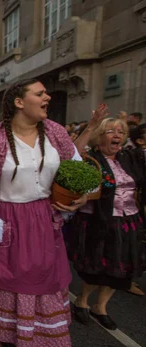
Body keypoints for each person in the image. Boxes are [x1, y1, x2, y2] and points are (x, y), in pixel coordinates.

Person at [0, 79, 86, 347]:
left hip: (43, 218)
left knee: (43, 277)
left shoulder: (54, 132)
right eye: (40, 93)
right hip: (5, 217)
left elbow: (77, 167)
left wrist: (85, 195)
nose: (48, 97)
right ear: (19, 102)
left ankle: (39, 334)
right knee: (0, 277)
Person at [66, 118, 146, 330]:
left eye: (121, 131)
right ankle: (82, 300)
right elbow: (69, 157)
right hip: (99, 220)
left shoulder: (130, 157)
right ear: (99, 137)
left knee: (121, 267)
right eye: (111, 131)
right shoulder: (90, 159)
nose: (117, 135)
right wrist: (90, 126)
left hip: (128, 219)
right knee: (99, 267)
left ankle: (100, 307)